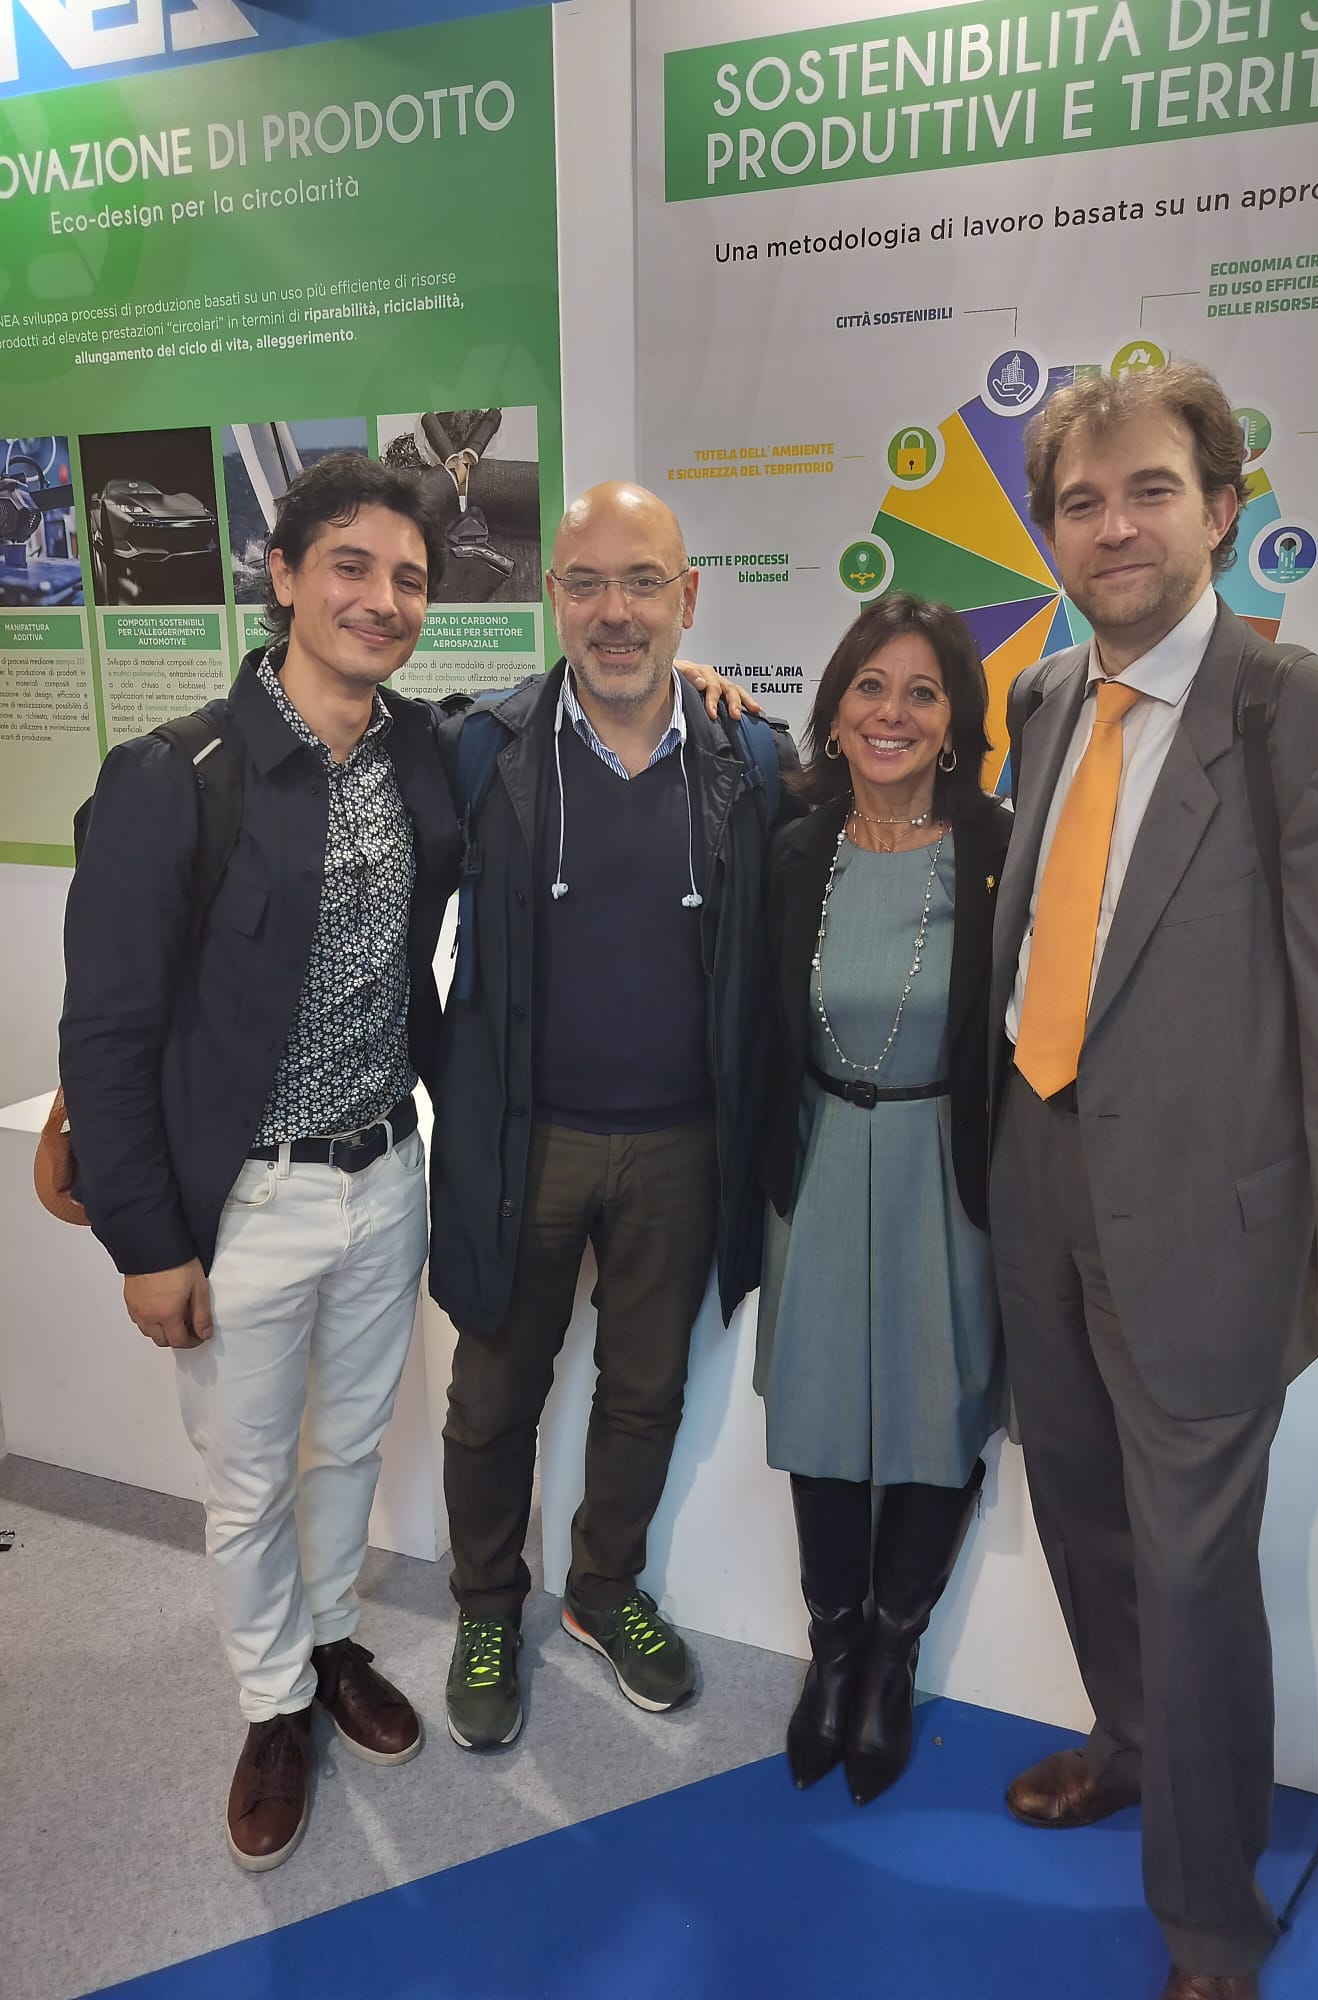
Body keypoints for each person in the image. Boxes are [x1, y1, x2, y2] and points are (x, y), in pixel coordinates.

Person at [987, 362, 1318, 2000]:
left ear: (1225, 509)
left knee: (1190, 1572)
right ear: (1051, 530)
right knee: (1082, 1511)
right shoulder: (1043, 701)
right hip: (1038, 1179)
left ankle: (1208, 1917)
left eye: (1150, 491)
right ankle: (1121, 1740)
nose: (1115, 528)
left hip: (1208, 1227)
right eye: (1084, 502)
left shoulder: (1312, 724)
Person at [58, 455, 463, 1871]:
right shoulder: (177, 773)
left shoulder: (417, 750)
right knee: (244, 1478)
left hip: (382, 1177)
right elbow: (104, 1034)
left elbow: (547, 727)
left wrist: (694, 676)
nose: (382, 598)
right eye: (350, 565)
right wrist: (146, 1243)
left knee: (349, 1443)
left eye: (408, 578)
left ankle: (335, 1639)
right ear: (283, 575)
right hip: (240, 1207)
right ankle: (272, 1704)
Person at [430, 481, 797, 1750]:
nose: (615, 611)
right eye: (586, 582)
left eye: (644, 581)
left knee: (645, 1387)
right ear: (553, 601)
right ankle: (488, 1603)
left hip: (686, 1141)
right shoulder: (483, 746)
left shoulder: (750, 757)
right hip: (525, 1137)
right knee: (493, 1392)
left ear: (688, 598)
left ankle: (601, 1587)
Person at [756, 594, 1010, 1805]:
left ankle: (893, 1654)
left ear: (954, 717)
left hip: (939, 1162)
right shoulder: (794, 837)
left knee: (930, 1413)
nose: (891, 712)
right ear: (837, 705)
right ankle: (832, 1646)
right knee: (818, 1410)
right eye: (869, 685)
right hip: (816, 1152)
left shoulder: (997, 847)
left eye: (920, 690)